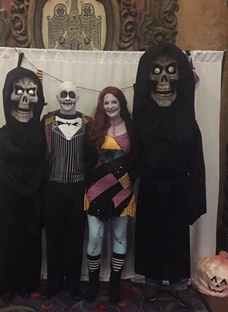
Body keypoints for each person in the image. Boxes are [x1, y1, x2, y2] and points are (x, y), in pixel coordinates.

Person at [132, 42, 207, 308]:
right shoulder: (141, 120)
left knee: (177, 237)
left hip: (178, 186)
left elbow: (197, 164)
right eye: (156, 72)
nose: (164, 80)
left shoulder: (188, 121)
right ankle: (152, 281)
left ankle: (178, 284)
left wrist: (196, 196)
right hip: (151, 186)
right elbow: (133, 156)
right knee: (150, 235)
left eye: (171, 71)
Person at [0, 65, 46, 303]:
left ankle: (26, 283)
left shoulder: (41, 133)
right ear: (8, 96)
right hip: (6, 201)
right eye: (18, 91)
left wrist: (31, 188)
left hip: (31, 201)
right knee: (6, 241)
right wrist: (19, 189)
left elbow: (44, 163)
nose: (24, 99)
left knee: (28, 241)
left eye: (31, 93)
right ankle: (5, 285)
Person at [41, 81, 94, 301]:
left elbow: (93, 156)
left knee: (75, 236)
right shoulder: (46, 122)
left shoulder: (87, 123)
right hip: (53, 186)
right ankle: (54, 281)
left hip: (78, 187)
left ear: (78, 98)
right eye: (63, 94)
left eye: (72, 94)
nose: (68, 98)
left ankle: (73, 282)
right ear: (57, 97)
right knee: (53, 236)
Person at [84, 86, 137, 303]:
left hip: (122, 192)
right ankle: (93, 284)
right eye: (106, 103)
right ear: (101, 105)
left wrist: (129, 180)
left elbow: (139, 159)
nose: (110, 106)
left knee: (119, 236)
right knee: (95, 236)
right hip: (96, 191)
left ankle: (114, 284)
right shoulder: (93, 127)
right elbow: (85, 159)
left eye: (114, 102)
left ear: (121, 104)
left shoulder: (133, 128)